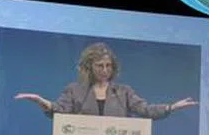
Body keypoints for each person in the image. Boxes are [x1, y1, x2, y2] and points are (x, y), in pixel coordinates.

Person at [14, 41, 198, 119]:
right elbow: (59, 111)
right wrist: (41, 101)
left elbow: (145, 109)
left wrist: (171, 107)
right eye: (99, 66)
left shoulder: (124, 92)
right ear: (89, 67)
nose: (104, 70)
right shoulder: (74, 90)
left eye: (108, 66)